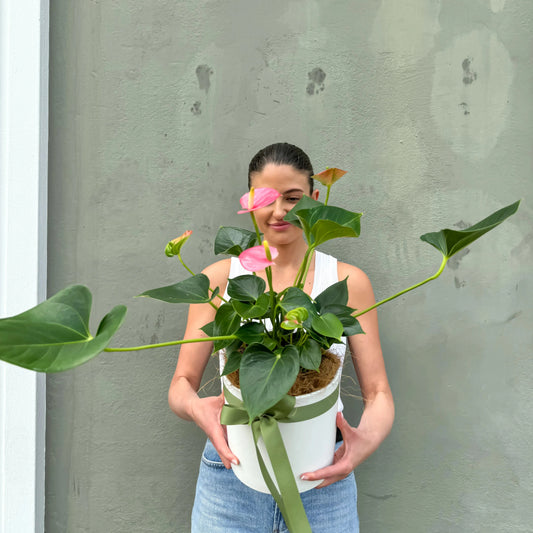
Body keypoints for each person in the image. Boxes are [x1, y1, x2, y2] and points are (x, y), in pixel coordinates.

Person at [168, 143, 395, 532]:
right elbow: (181, 385)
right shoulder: (221, 279)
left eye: (293, 198)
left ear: (316, 197)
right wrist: (196, 408)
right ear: (249, 200)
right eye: (266, 199)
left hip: (322, 478)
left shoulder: (347, 283)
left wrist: (363, 443)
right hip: (231, 477)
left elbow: (378, 394)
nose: (279, 212)